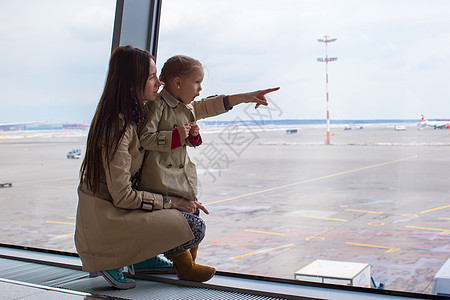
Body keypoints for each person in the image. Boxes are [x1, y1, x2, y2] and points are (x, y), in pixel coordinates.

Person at [75, 46, 214, 290]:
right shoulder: (116, 128)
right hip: (109, 225)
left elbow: (195, 109)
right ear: (131, 84)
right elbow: (124, 195)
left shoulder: (134, 116)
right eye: (151, 77)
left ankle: (139, 257)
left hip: (122, 213)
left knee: (191, 212)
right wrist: (172, 202)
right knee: (194, 227)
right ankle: (114, 257)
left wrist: (242, 98)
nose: (159, 82)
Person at [138, 55, 279, 274]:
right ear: (177, 82)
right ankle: (185, 267)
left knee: (194, 215)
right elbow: (145, 138)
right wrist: (175, 136)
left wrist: (192, 135)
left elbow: (209, 106)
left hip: (178, 181)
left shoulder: (185, 108)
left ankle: (188, 266)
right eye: (196, 82)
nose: (200, 88)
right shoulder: (158, 106)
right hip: (160, 183)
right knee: (188, 225)